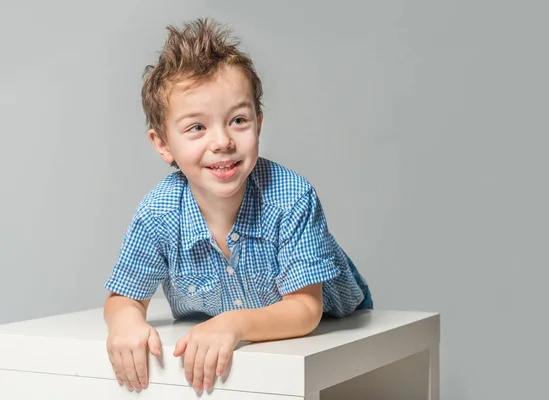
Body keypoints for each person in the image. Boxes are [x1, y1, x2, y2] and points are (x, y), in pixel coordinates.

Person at [103, 17, 372, 395]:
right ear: (163, 144)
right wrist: (126, 323)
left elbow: (305, 310)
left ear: (258, 125)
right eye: (197, 127)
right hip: (229, 327)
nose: (223, 141)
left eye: (238, 120)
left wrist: (234, 324)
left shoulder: (290, 196)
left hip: (332, 320)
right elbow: (123, 298)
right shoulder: (158, 214)